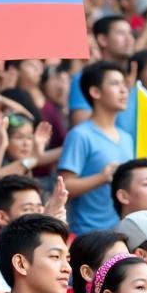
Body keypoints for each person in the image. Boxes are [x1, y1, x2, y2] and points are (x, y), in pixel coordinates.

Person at [59, 62, 134, 235]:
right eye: (115, 84)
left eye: (124, 84)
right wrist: (101, 178)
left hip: (121, 233)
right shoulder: (80, 135)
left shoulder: (127, 138)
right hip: (88, 235)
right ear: (95, 92)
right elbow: (65, 187)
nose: (124, 90)